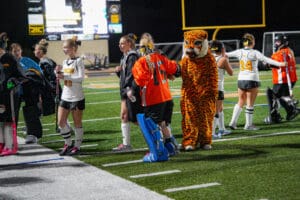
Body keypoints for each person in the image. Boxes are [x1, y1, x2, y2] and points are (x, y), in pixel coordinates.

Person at [132, 37, 180, 161]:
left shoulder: (141, 62)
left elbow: (140, 80)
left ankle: (158, 153)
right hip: (167, 97)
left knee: (153, 126)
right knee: (163, 123)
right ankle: (171, 147)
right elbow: (175, 69)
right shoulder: (161, 57)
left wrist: (131, 90)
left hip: (153, 98)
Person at [226, 33, 286, 130]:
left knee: (240, 101)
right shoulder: (254, 53)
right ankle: (248, 125)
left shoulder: (239, 52)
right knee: (249, 103)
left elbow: (225, 54)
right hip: (252, 80)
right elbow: (267, 60)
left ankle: (233, 123)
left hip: (241, 79)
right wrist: (281, 64)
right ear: (252, 42)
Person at [113, 33, 143, 151]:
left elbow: (131, 76)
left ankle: (158, 136)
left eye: (122, 43)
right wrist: (118, 71)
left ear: (129, 44)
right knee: (124, 116)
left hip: (131, 91)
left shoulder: (132, 56)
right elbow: (125, 75)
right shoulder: (124, 56)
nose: (120, 45)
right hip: (126, 91)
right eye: (119, 43)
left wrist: (128, 89)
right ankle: (126, 145)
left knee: (135, 119)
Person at [55, 36, 85, 156]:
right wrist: (57, 72)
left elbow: (81, 78)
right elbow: (64, 76)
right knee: (61, 122)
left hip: (77, 97)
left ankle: (77, 146)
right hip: (65, 96)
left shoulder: (79, 61)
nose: (64, 49)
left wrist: (65, 77)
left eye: (66, 47)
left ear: (73, 48)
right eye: (63, 48)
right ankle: (68, 143)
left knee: (77, 123)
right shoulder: (64, 62)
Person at [10, 42, 44, 144]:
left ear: (21, 51)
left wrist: (28, 77)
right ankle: (11, 135)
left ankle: (33, 134)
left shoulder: (27, 61)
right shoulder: (8, 62)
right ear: (10, 52)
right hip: (14, 91)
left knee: (31, 110)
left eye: (18, 50)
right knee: (12, 113)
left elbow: (39, 72)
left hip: (28, 90)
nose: (17, 53)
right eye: (14, 51)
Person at [0, 33, 26, 156]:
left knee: (8, 120)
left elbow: (22, 76)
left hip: (10, 95)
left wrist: (13, 82)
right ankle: (2, 144)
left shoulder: (10, 58)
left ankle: (9, 146)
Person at [264, 34, 299, 123]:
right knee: (279, 97)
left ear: (283, 42)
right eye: (276, 41)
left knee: (271, 94)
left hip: (282, 79)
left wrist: (264, 61)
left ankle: (274, 116)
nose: (276, 43)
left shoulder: (280, 53)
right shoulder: (289, 50)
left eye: (278, 41)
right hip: (290, 79)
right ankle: (291, 109)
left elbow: (269, 64)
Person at [209, 40, 233, 138]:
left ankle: (222, 129)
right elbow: (231, 73)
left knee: (219, 108)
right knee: (216, 111)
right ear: (222, 49)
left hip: (208, 87)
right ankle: (212, 133)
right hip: (218, 88)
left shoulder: (208, 58)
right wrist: (225, 58)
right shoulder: (223, 59)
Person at [34, 39, 61, 117]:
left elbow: (52, 77)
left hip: (51, 89)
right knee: (58, 108)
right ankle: (64, 126)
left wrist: (53, 90)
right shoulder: (47, 60)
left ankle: (64, 127)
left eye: (36, 50)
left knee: (58, 108)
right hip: (52, 88)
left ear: (41, 51)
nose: (34, 51)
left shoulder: (44, 62)